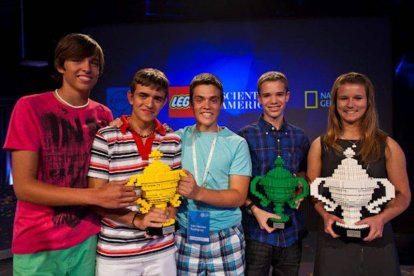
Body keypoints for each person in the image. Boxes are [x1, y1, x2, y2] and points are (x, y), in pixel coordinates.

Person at [3, 33, 137, 275]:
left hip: (87, 239)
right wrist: (94, 196)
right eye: (78, 60)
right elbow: (23, 187)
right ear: (60, 65)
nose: (86, 68)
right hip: (38, 243)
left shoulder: (103, 115)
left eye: (94, 63)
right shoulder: (30, 107)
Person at [307, 72, 411, 276]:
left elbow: (403, 195)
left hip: (378, 243)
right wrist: (325, 215)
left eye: (358, 98)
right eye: (344, 98)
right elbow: (313, 193)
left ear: (368, 102)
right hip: (333, 242)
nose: (350, 104)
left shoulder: (388, 146)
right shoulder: (320, 146)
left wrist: (380, 219)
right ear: (335, 102)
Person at [88, 68, 182, 276]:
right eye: (143, 95)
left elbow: (175, 196)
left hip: (162, 251)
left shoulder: (172, 140)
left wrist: (167, 215)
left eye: (157, 98)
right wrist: (137, 220)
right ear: (130, 97)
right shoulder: (106, 138)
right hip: (117, 254)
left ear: (164, 102)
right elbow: (96, 198)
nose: (149, 104)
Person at [175, 73, 252, 275]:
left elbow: (238, 196)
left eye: (213, 99)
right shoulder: (176, 139)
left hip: (226, 236)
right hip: (186, 233)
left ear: (221, 103)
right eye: (199, 99)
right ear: (191, 103)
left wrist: (198, 192)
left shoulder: (236, 144)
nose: (206, 105)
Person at [238, 71, 310, 276]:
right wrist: (253, 207)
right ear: (259, 98)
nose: (274, 100)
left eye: (279, 94)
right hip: (256, 233)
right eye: (267, 95)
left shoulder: (299, 136)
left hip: (292, 232)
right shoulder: (244, 136)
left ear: (288, 96)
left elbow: (303, 171)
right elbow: (237, 184)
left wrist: (299, 186)